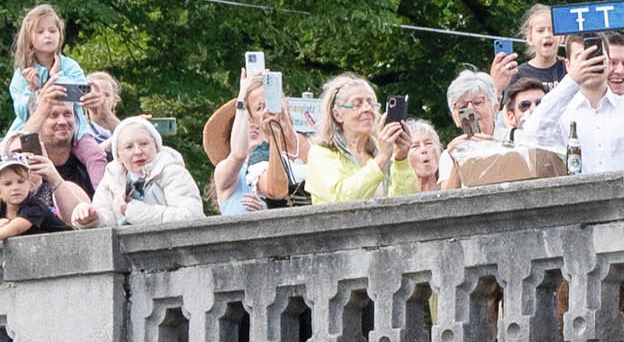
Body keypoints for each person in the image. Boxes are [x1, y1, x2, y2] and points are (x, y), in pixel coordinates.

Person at [525, 36, 624, 172]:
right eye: (581, 58)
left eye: (596, 56)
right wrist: (572, 81)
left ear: (608, 61)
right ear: (568, 65)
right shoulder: (559, 113)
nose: (590, 64)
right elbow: (531, 137)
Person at [74, 117, 204, 227]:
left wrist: (135, 212)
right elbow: (107, 219)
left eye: (143, 144)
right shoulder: (112, 177)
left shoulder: (172, 171)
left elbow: (191, 216)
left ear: (156, 146)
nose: (138, 151)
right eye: (129, 147)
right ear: (118, 155)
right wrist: (90, 217)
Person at [305, 74, 415, 201]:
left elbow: (403, 202)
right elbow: (341, 199)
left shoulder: (383, 148)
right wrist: (381, 159)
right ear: (337, 115)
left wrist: (401, 159)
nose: (367, 109)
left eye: (371, 103)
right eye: (357, 104)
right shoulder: (321, 153)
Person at [5, 85, 104, 222]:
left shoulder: (90, 159)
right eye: (53, 115)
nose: (62, 121)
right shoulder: (25, 165)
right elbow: (7, 152)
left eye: (68, 114)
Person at [210, 75, 307, 215]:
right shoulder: (226, 171)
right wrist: (242, 97)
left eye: (252, 122)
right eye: (245, 123)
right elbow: (238, 154)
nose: (251, 127)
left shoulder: (281, 160)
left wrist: (264, 210)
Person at [8, 3, 90, 139]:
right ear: (29, 37)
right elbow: (21, 112)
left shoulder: (71, 66)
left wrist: (56, 76)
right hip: (34, 133)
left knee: (94, 154)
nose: (48, 36)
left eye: (52, 31)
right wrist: (32, 88)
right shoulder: (23, 72)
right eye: (40, 32)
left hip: (72, 133)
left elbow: (81, 96)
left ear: (60, 34)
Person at [440, 70, 511, 186]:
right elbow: (446, 199)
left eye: (477, 103)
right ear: (455, 118)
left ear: (495, 108)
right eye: (462, 107)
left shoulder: (512, 140)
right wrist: (456, 162)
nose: (470, 110)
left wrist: (497, 150)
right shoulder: (450, 153)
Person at [0, 151, 70, 239]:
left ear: (29, 184)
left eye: (21, 181)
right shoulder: (2, 206)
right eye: (7, 184)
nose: (15, 187)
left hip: (68, 245)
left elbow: (15, 229)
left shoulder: (34, 206)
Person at [403, 119, 445, 194]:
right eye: (415, 146)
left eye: (428, 143)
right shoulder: (400, 191)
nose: (423, 150)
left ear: (440, 149)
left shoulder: (452, 185)